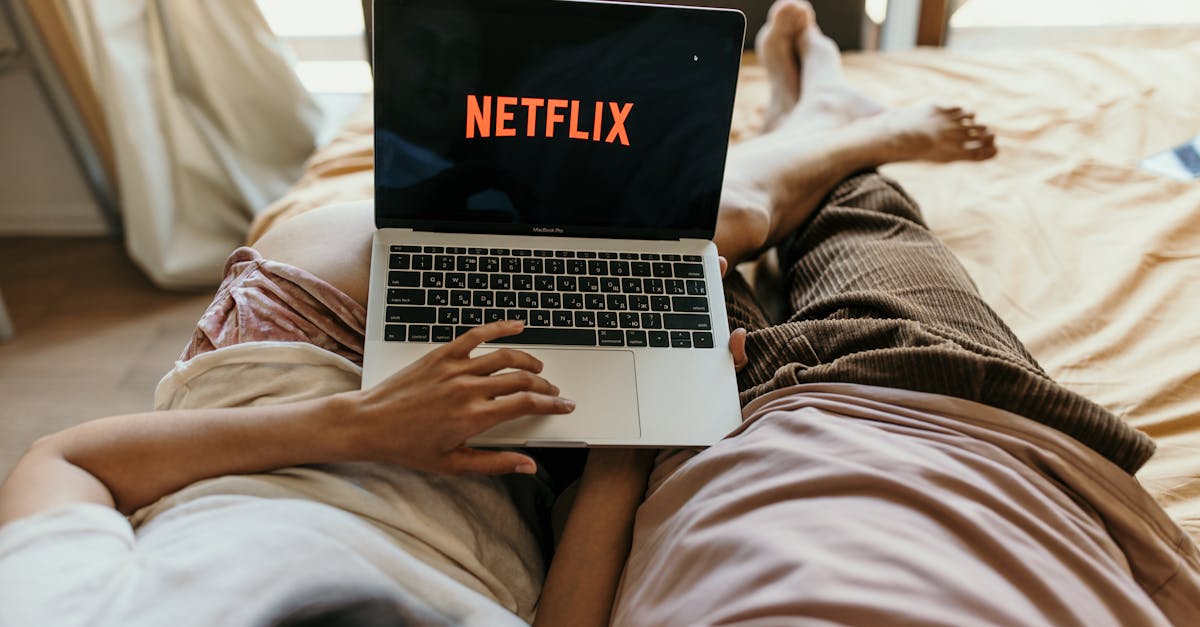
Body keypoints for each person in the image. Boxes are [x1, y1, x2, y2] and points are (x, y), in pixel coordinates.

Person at [7, 2, 1191, 626]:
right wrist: (635, 433)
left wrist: (365, 427)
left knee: (643, 225)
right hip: (513, 468)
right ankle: (816, 134)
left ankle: (819, 135)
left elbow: (69, 458)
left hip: (298, 382)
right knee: (658, 244)